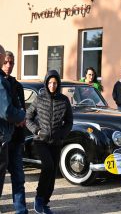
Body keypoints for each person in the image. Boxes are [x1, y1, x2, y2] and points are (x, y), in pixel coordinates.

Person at [26, 70, 73, 214]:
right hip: (41, 141)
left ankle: (45, 203)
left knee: (53, 173)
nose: (52, 85)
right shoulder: (39, 99)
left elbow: (69, 122)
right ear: (46, 83)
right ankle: (39, 198)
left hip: (56, 142)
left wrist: (62, 135)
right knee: (48, 166)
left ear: (58, 84)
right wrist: (38, 131)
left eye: (55, 83)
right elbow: (28, 118)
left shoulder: (64, 100)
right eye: (50, 82)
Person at [2, 51, 28, 214]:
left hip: (16, 140)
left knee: (18, 177)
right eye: (6, 62)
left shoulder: (17, 85)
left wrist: (20, 118)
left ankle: (21, 210)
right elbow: (6, 111)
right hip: (2, 138)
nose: (9, 66)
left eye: (11, 62)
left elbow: (22, 110)